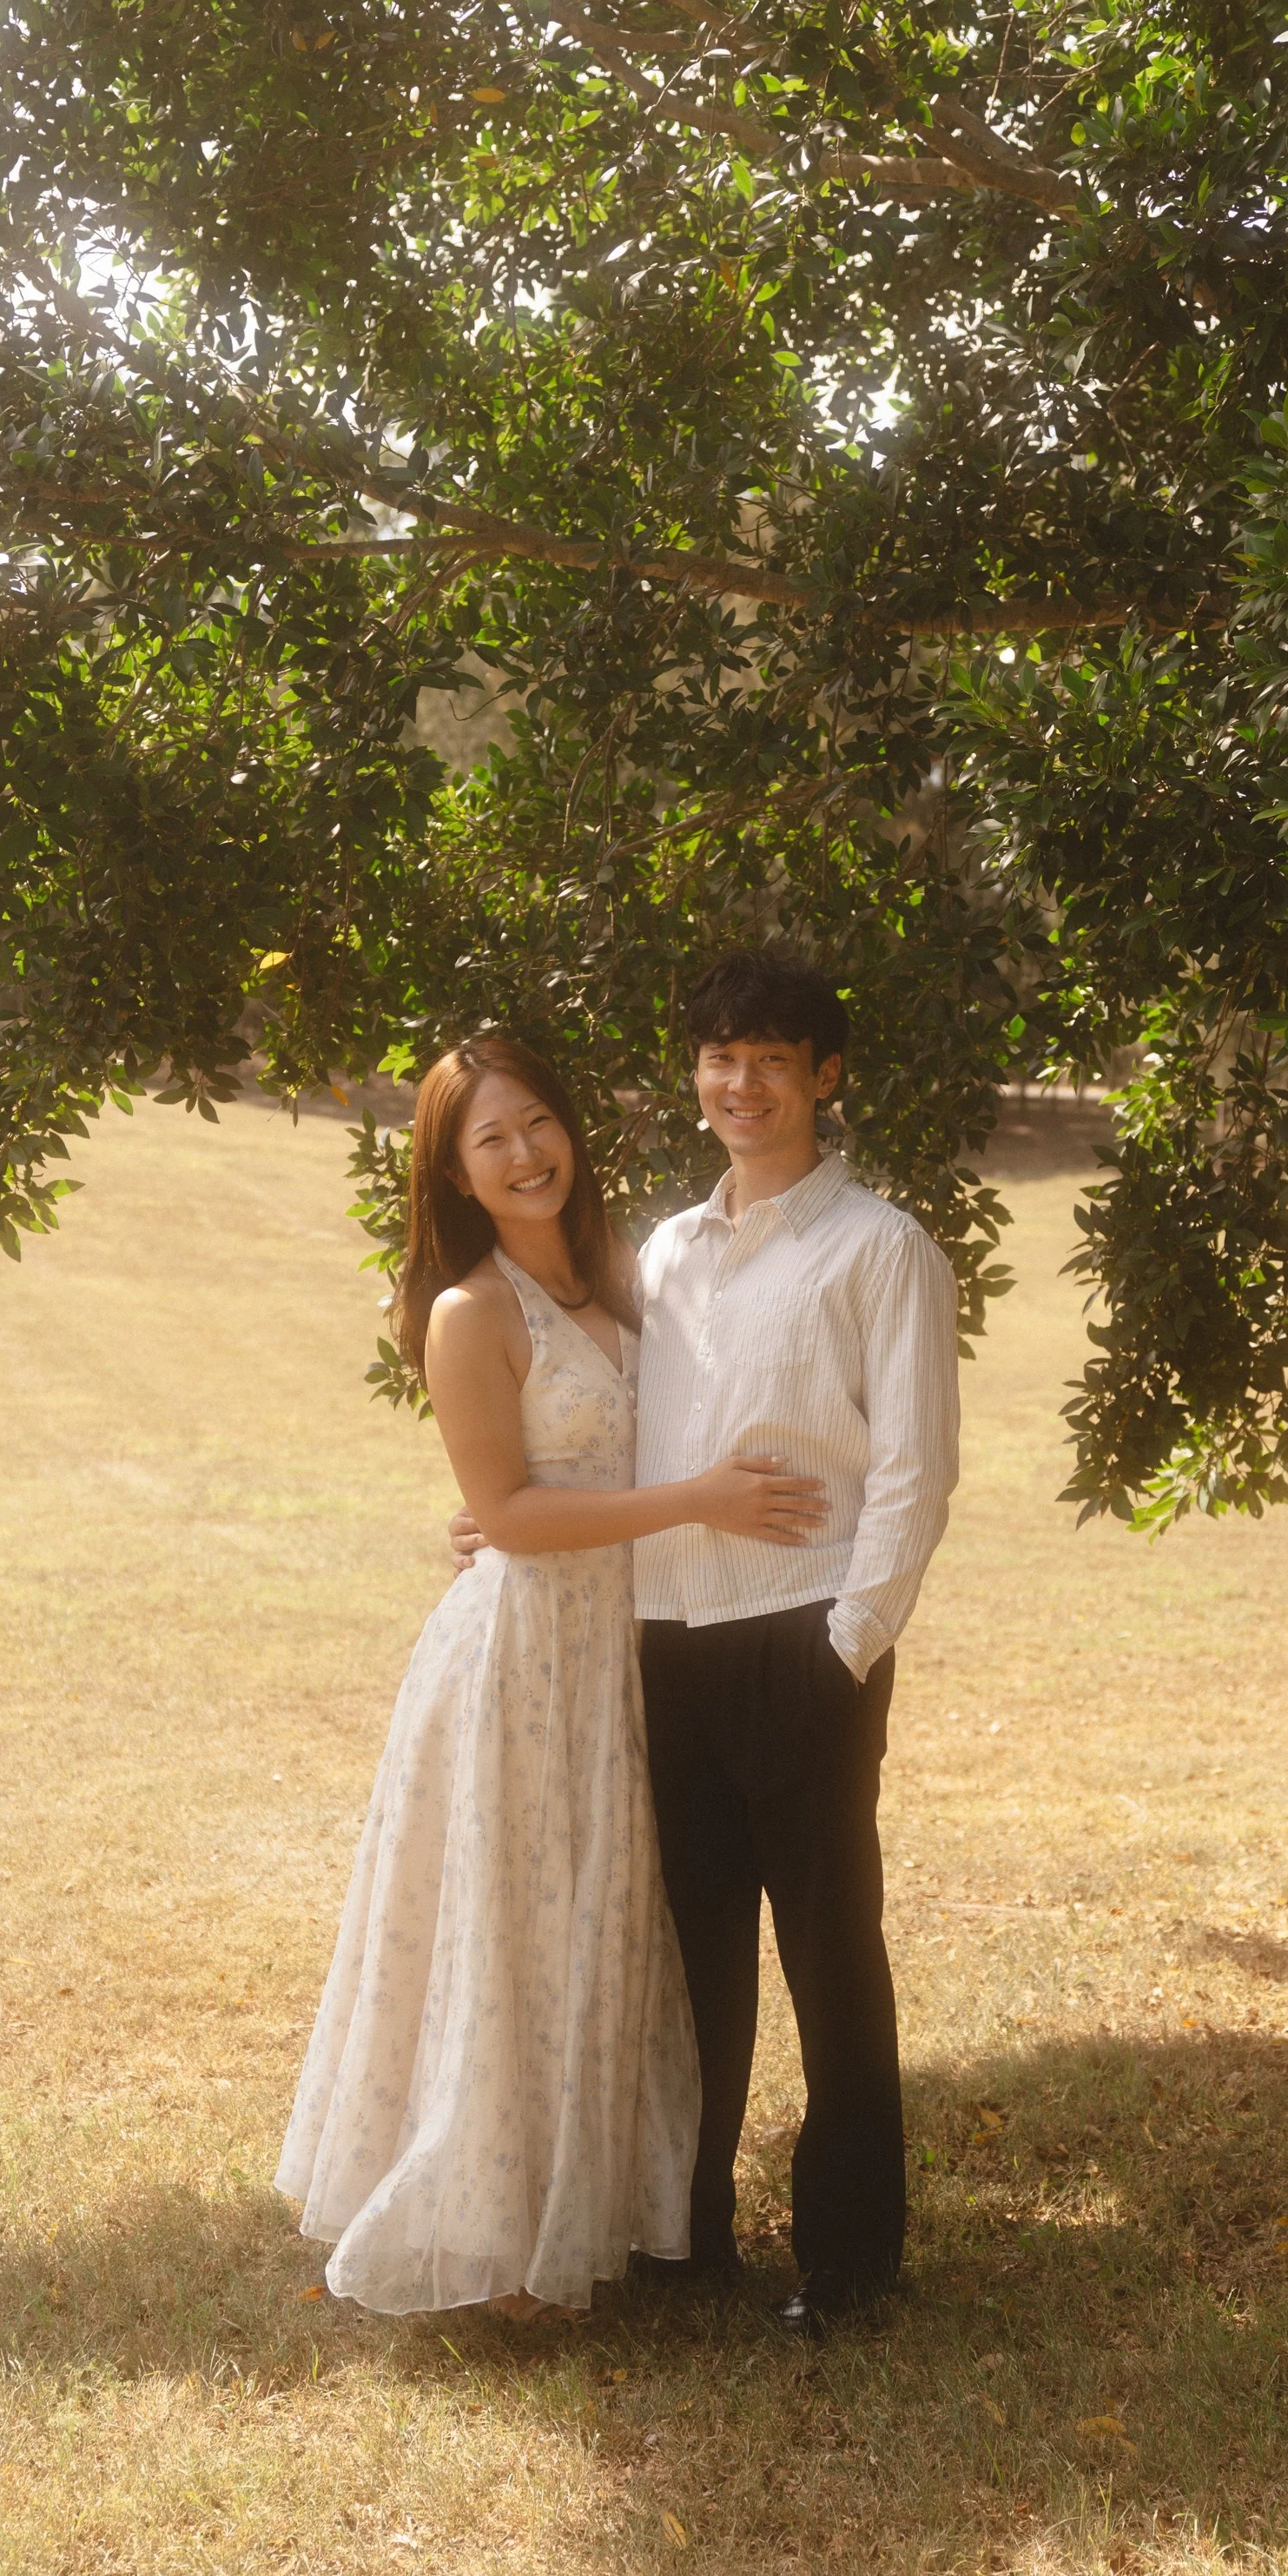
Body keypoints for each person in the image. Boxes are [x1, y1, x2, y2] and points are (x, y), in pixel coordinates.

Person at [276, 1034, 828, 2320]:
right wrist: (692, 1501)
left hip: (640, 1647)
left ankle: (615, 2205)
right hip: (526, 1660)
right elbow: (510, 1515)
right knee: (519, 1928)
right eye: (491, 1140)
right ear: (456, 1175)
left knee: (616, 1923)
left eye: (537, 1125)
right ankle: (497, 2226)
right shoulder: (469, 1314)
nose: (524, 1155)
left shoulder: (634, 1281)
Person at [460, 952, 961, 2334]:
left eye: (774, 1060)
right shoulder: (663, 1257)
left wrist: (846, 1646)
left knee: (829, 1958)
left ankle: (850, 2259)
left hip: (804, 1641)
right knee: (687, 1964)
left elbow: (916, 1473)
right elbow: (603, 1421)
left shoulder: (882, 1250)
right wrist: (497, 1512)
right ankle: (688, 2238)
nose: (741, 1083)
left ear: (826, 1078)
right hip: (660, 1650)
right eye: (720, 1057)